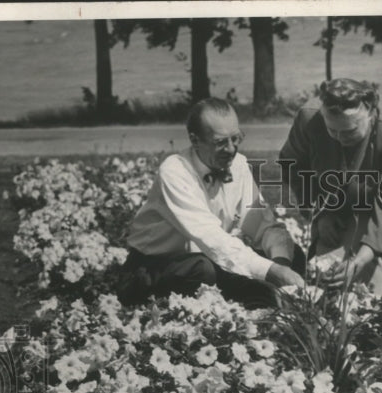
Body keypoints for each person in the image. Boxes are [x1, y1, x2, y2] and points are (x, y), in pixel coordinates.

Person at [117, 98, 304, 309]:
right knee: (202, 270)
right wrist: (271, 272)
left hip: (210, 259)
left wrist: (281, 264)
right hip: (155, 267)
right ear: (195, 140)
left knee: (291, 252)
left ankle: (264, 304)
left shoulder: (239, 164)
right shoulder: (175, 171)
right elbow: (211, 237)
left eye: (236, 138)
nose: (232, 149)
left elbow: (262, 224)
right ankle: (233, 310)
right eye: (221, 142)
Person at [279, 79, 382, 301]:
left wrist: (361, 259)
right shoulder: (309, 118)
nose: (340, 140)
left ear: (370, 113)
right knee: (326, 277)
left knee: (376, 292)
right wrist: (320, 213)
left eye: (350, 131)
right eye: (332, 130)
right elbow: (292, 164)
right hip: (340, 195)